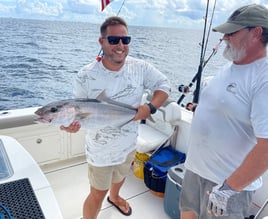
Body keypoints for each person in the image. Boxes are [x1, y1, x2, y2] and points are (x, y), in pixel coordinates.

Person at [60, 16, 170, 219]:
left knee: (121, 176)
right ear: (101, 42)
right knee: (97, 193)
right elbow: (78, 112)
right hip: (100, 151)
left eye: (125, 40)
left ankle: (116, 196)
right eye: (113, 40)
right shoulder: (85, 75)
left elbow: (164, 87)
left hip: (129, 144)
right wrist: (71, 125)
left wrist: (150, 108)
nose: (120, 45)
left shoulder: (141, 68)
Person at [179, 4, 268, 219]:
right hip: (195, 170)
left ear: (256, 32)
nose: (225, 37)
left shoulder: (263, 78)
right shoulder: (230, 67)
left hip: (225, 186)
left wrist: (229, 189)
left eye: (232, 32)